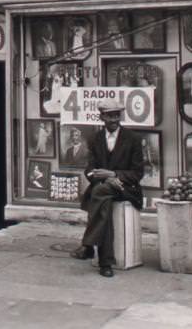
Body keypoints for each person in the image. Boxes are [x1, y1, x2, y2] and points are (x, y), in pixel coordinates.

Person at [71, 103, 144, 278]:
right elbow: (89, 170)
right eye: (109, 116)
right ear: (101, 117)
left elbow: (137, 173)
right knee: (104, 201)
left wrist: (114, 175)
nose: (114, 119)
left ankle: (88, 245)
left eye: (117, 115)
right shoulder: (94, 138)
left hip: (126, 188)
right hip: (104, 187)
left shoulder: (132, 138)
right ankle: (105, 263)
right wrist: (105, 178)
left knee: (99, 192)